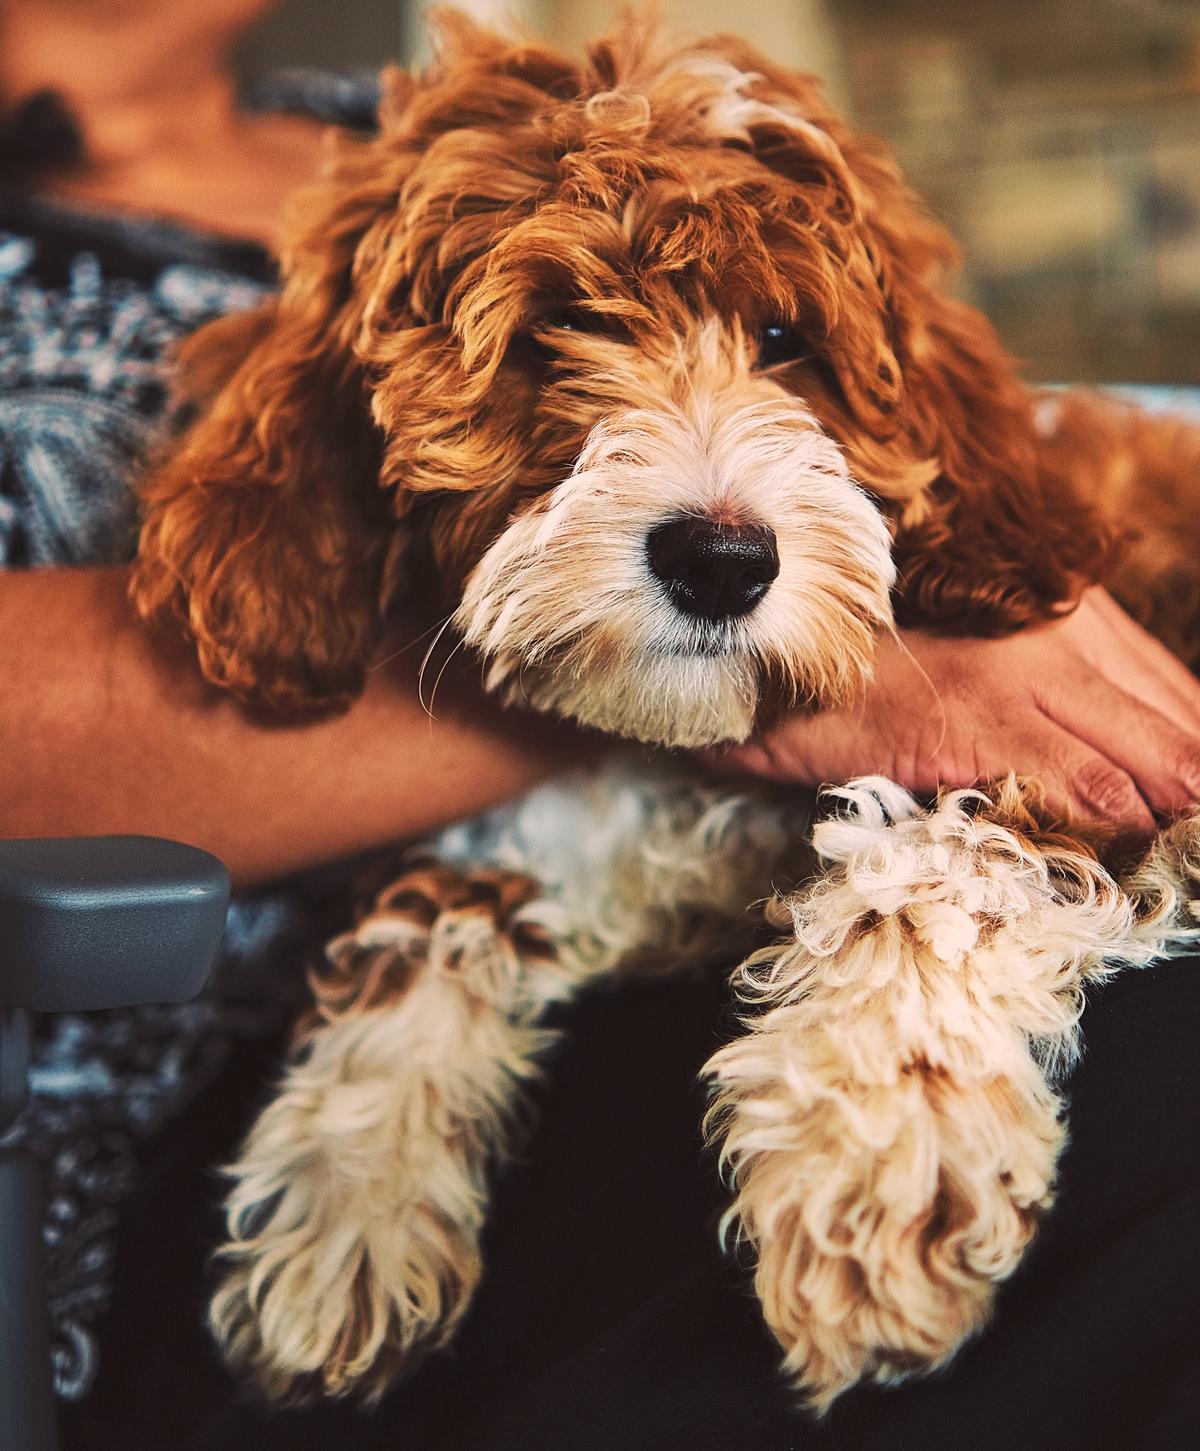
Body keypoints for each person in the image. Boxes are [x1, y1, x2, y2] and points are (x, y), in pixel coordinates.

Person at [1, 2, 1197, 1446]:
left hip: (622, 921)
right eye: (556, 329)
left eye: (774, 337)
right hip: (169, 1149)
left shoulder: (380, 118)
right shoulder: (326, 279)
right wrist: (841, 676)